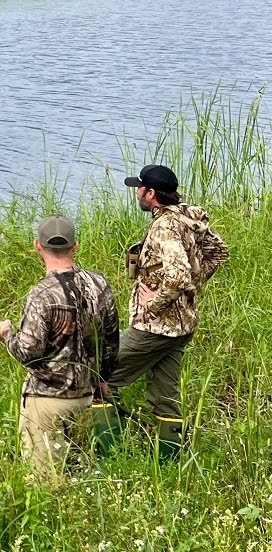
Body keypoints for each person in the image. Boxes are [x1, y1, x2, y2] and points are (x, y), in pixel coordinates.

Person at [108, 164, 228, 460]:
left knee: (100, 374)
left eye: (139, 188)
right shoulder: (188, 215)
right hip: (182, 326)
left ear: (151, 194)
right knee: (165, 396)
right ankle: (170, 461)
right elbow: (219, 252)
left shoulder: (164, 227)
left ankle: (107, 451)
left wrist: (154, 304)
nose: (136, 192)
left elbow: (178, 276)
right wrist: (191, 290)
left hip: (156, 328)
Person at [0, 216, 119, 480]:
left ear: (38, 246)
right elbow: (110, 339)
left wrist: (5, 334)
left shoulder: (41, 294)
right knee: (78, 474)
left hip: (46, 401)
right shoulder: (99, 284)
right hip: (85, 398)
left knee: (43, 481)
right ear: (75, 246)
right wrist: (102, 380)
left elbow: (27, 351)